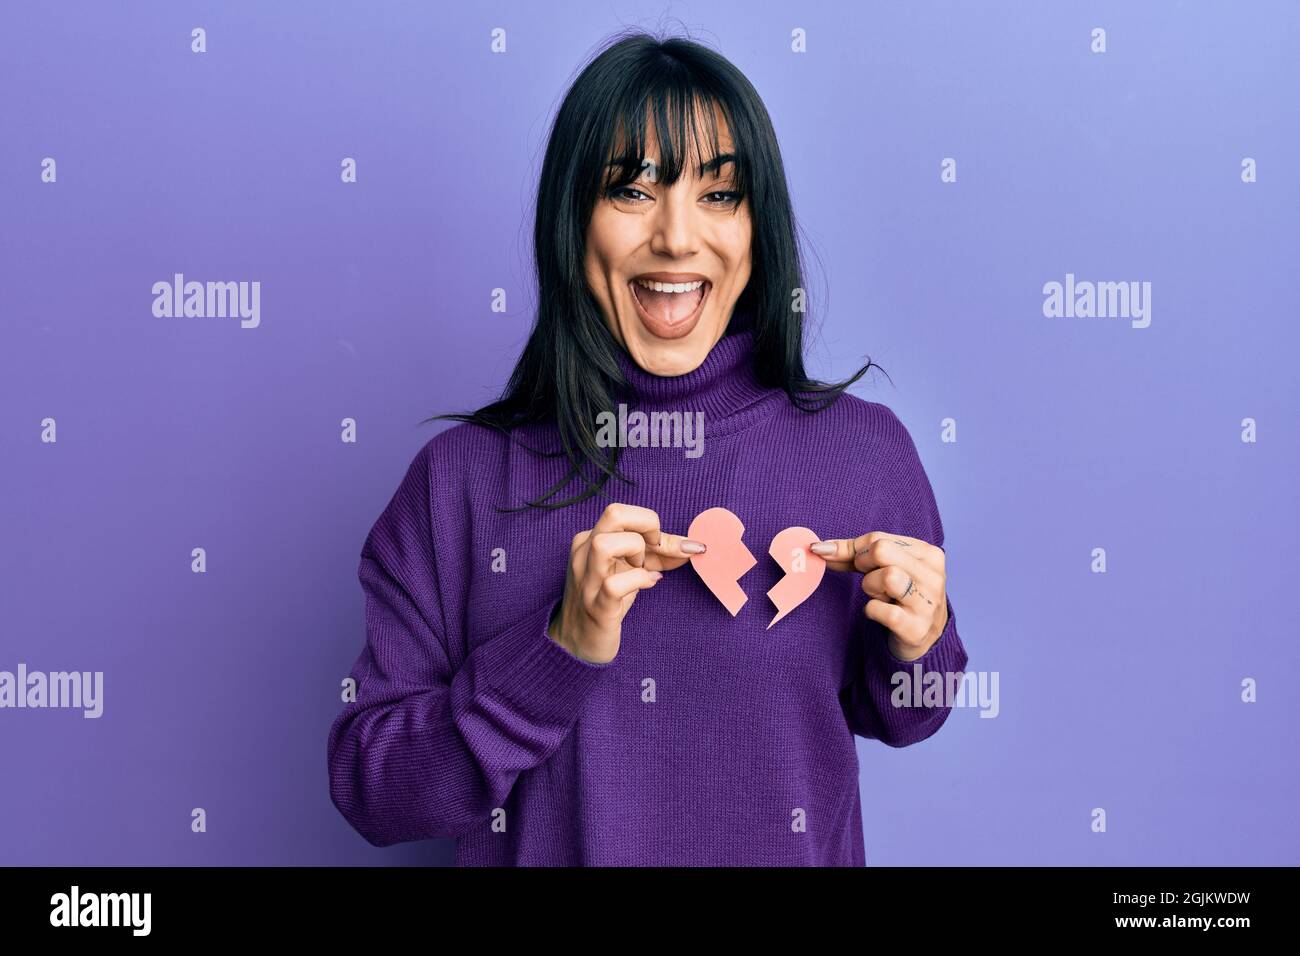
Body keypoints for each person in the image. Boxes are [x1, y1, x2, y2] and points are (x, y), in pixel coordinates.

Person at [327, 29, 968, 866]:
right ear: (573, 220)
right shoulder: (461, 485)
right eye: (631, 191)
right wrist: (555, 649)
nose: (675, 237)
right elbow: (375, 792)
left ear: (756, 229)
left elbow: (910, 714)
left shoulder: (863, 454)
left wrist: (924, 643)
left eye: (719, 195)